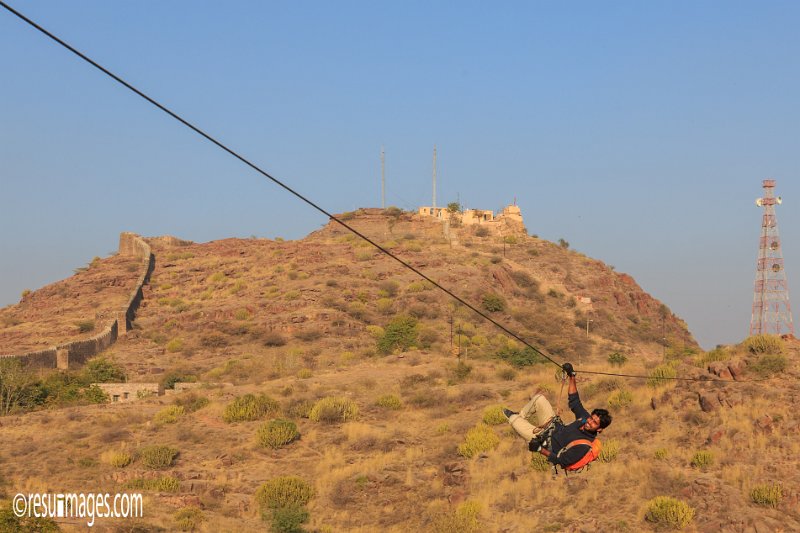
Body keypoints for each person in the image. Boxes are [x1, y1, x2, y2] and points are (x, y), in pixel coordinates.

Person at [503, 362, 612, 471]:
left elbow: (562, 461)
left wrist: (540, 449)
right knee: (539, 399)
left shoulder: (584, 445)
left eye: (594, 423)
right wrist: (571, 375)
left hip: (544, 441)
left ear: (600, 429)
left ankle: (516, 419)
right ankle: (521, 416)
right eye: (591, 418)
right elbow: (574, 401)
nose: (589, 422)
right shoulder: (584, 418)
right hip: (552, 425)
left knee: (511, 418)